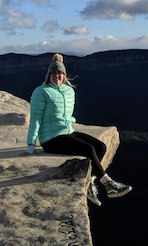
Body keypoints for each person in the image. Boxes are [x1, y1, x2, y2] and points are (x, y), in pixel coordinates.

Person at [22, 53, 132, 207]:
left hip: (67, 132)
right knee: (87, 148)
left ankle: (90, 183)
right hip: (51, 139)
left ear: (64, 75)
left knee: (100, 146)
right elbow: (35, 118)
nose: (57, 76)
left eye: (60, 73)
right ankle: (108, 184)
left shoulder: (69, 91)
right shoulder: (41, 92)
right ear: (48, 75)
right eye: (53, 73)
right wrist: (31, 146)